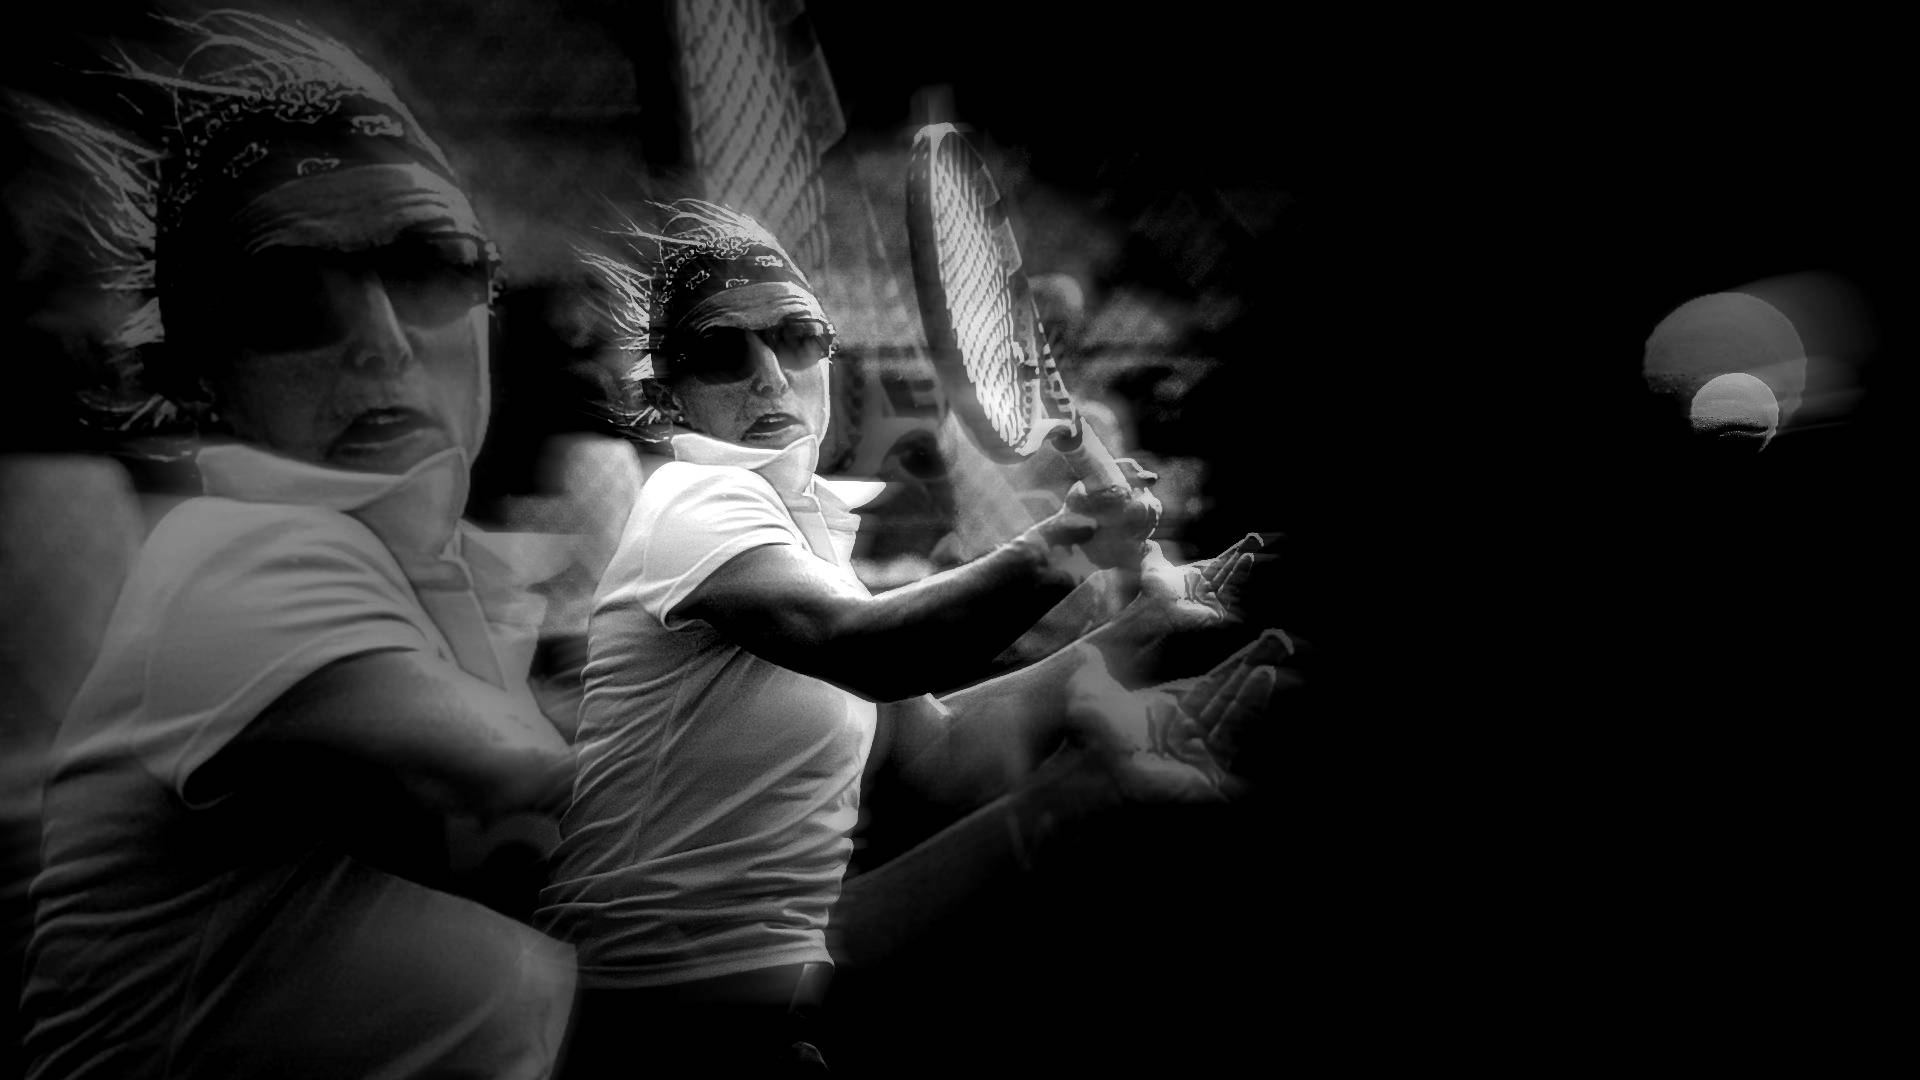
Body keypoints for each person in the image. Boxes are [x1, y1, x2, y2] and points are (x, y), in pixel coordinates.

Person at [538, 201, 1291, 1077]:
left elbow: (942, 756)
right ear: (668, 395)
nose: (770, 374)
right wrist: (1064, 547)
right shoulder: (694, 498)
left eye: (797, 337)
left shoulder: (803, 540)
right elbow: (871, 648)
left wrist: (1141, 628)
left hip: (758, 996)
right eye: (720, 351)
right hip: (655, 1016)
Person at [13, 11, 578, 1078]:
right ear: (200, 373)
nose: (382, 340)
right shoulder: (239, 558)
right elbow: (574, 835)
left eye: (430, 265)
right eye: (282, 296)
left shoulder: (426, 569)